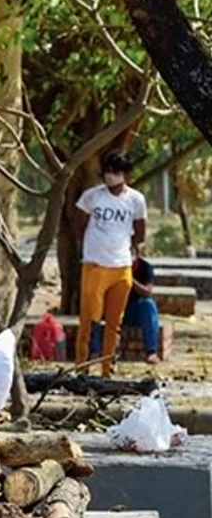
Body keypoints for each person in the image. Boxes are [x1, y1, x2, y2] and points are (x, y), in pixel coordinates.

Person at [75, 150, 148, 376]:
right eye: (107, 172)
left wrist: (124, 244)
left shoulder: (135, 199)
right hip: (95, 265)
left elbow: (140, 232)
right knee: (89, 320)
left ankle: (108, 368)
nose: (110, 177)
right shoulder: (92, 196)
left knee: (114, 323)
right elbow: (78, 225)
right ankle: (82, 367)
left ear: (126, 174)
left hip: (121, 267)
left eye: (115, 172)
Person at [90, 245, 161, 365]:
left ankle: (151, 351)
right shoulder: (111, 266)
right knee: (95, 306)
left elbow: (147, 292)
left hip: (132, 310)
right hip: (112, 308)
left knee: (148, 305)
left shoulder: (145, 267)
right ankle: (95, 352)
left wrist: (130, 280)